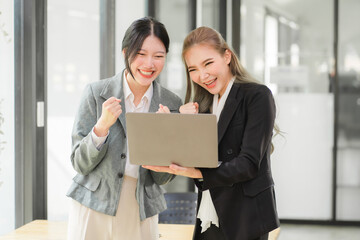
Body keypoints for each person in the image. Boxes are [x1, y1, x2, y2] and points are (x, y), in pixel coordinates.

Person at [144, 26, 280, 240]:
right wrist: (175, 122)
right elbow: (198, 159)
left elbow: (249, 164)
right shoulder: (204, 105)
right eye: (193, 69)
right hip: (209, 213)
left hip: (246, 217)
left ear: (227, 56)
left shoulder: (257, 96)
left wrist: (196, 173)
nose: (202, 75)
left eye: (208, 63)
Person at [66, 17, 182, 240]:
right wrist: (101, 127)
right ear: (125, 52)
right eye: (140, 54)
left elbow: (164, 179)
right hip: (93, 203)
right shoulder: (96, 93)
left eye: (158, 56)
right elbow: (79, 163)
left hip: (140, 206)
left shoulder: (171, 103)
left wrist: (165, 140)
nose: (149, 64)